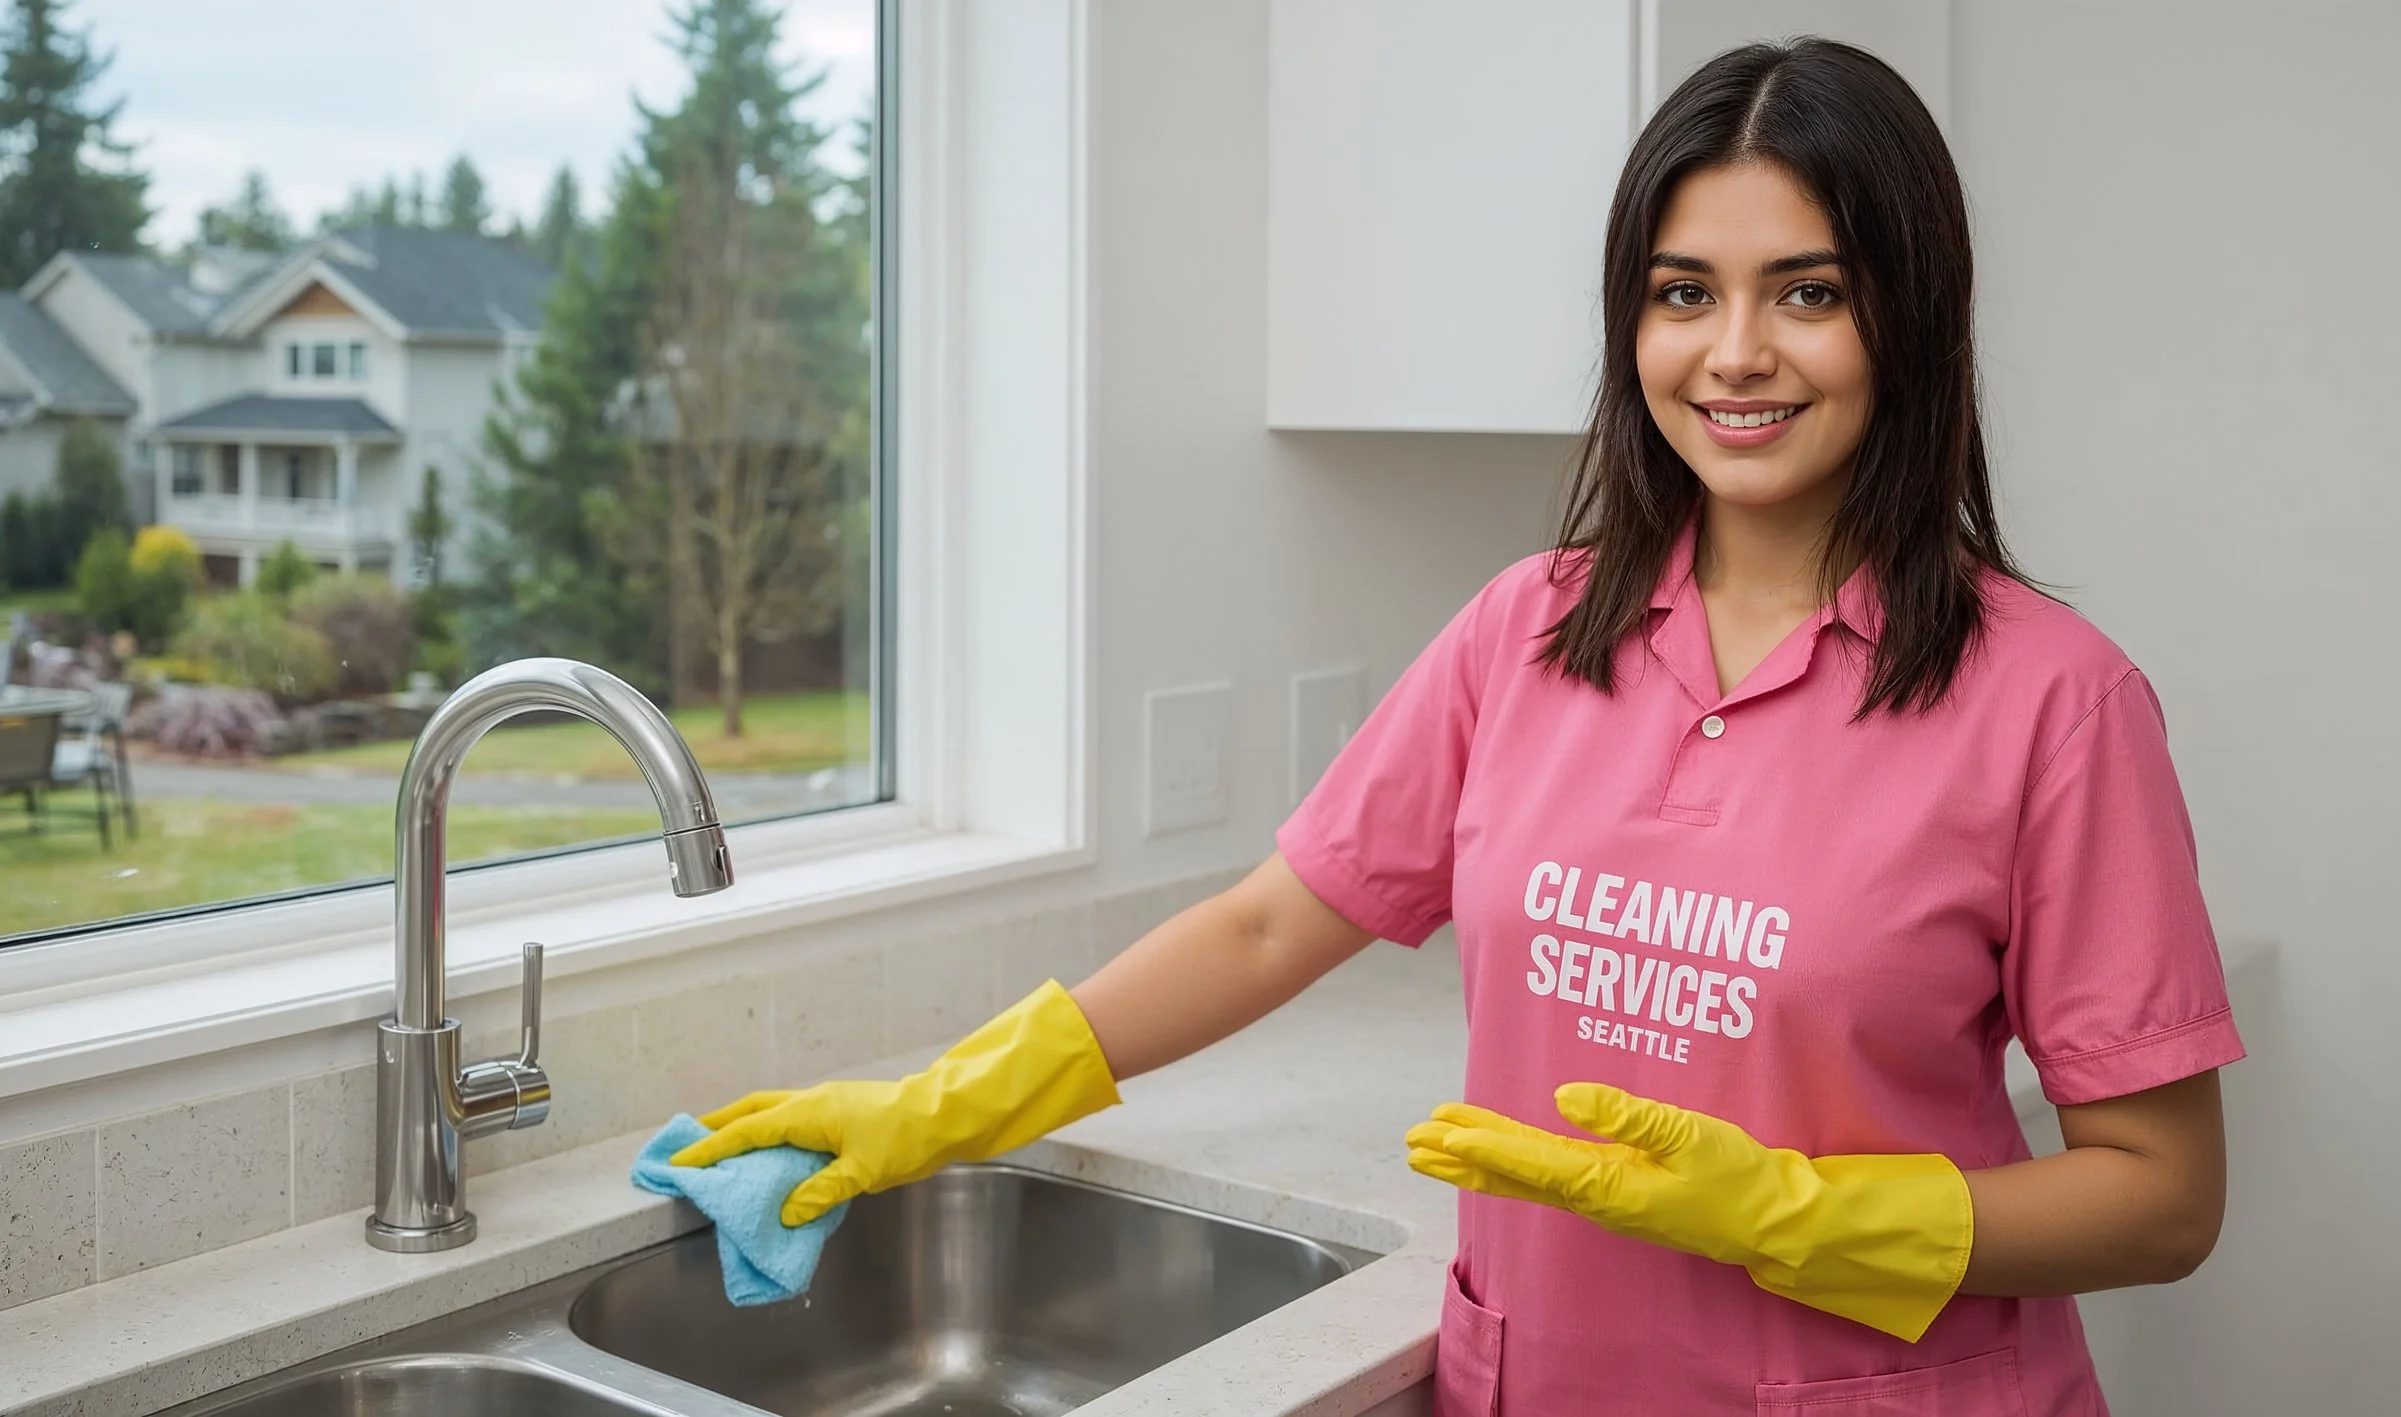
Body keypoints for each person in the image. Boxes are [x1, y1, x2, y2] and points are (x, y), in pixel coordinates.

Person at [673, 36, 2242, 1416]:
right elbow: (1270, 926)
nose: (1736, 352)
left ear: (1912, 319)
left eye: (1810, 293)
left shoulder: (2052, 700)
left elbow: (2163, 1201)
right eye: (1682, 293)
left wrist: (1799, 1215)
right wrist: (940, 1101)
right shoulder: (1527, 631)